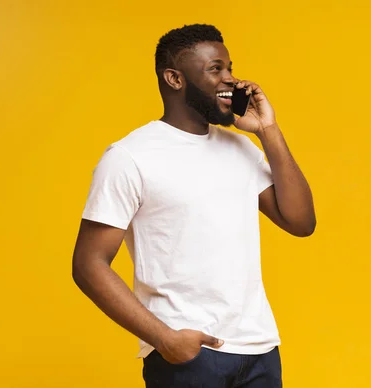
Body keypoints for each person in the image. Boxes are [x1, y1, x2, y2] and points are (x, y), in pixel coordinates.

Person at [72, 24, 316, 388]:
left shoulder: (241, 149)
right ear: (174, 78)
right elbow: (89, 264)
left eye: (230, 67)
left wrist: (269, 131)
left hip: (260, 350)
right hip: (189, 357)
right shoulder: (130, 157)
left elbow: (300, 221)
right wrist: (164, 339)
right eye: (216, 69)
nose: (231, 80)